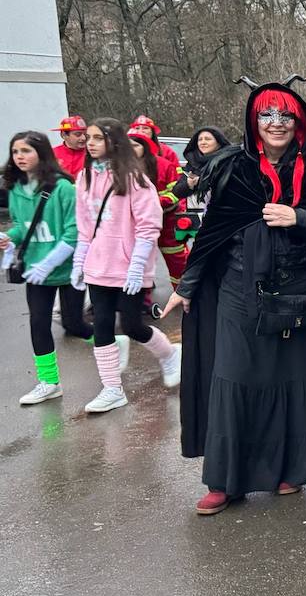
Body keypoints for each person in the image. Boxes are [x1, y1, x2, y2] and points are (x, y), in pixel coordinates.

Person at [163, 75, 306, 515]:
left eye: (285, 115)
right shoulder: (232, 167)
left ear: (299, 121)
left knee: (292, 381)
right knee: (235, 377)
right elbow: (213, 234)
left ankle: (289, 470)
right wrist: (188, 286)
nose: (276, 123)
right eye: (267, 115)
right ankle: (226, 481)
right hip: (239, 292)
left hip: (301, 293)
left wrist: (300, 217)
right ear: (253, 120)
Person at [72, 118, 180, 414]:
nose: (89, 142)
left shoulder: (136, 179)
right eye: (87, 138)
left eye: (96, 137)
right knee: (103, 325)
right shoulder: (84, 178)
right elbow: (84, 225)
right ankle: (112, 389)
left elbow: (148, 226)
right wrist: (79, 261)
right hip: (98, 266)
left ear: (114, 141)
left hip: (128, 267)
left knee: (132, 325)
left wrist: (136, 267)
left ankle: (170, 355)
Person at [2, 131, 92, 404]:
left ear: (41, 154)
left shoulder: (63, 188)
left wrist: (48, 263)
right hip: (35, 271)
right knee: (38, 323)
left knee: (74, 323)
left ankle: (109, 343)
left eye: (26, 151)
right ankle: (49, 381)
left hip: (67, 269)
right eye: (16, 151)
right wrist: (9, 238)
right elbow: (22, 225)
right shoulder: (16, 189)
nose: (20, 157)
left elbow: (72, 233)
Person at [128, 119, 189, 293]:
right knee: (140, 262)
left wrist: (175, 212)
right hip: (136, 224)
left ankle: (185, 293)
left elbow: (177, 190)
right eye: (137, 128)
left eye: (145, 129)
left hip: (167, 219)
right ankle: (142, 299)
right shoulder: (119, 168)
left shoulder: (165, 160)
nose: (141, 131)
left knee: (177, 259)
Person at [172, 126, 230, 202]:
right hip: (196, 211)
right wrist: (189, 184)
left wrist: (203, 182)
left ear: (219, 142)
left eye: (208, 139)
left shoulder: (229, 160)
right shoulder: (193, 161)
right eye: (200, 140)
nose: (203, 142)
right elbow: (176, 192)